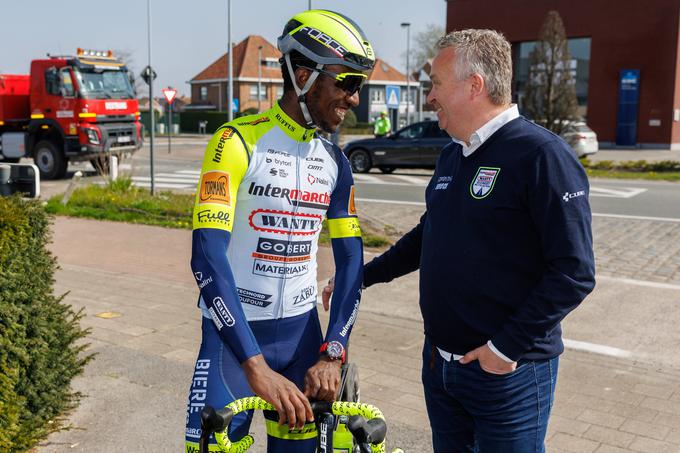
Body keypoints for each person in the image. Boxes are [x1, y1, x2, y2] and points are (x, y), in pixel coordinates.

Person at [324, 29, 595, 452]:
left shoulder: (541, 155)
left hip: (508, 374)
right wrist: (360, 276)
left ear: (475, 86)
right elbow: (428, 235)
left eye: (436, 83)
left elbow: (574, 272)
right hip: (440, 367)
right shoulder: (454, 153)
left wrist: (504, 349)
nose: (429, 96)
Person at [184, 10, 375, 453]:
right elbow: (206, 258)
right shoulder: (235, 142)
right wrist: (254, 366)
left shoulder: (336, 163)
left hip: (302, 338)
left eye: (359, 86)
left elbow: (350, 260)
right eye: (347, 82)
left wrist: (333, 351)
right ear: (304, 75)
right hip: (232, 344)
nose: (354, 98)